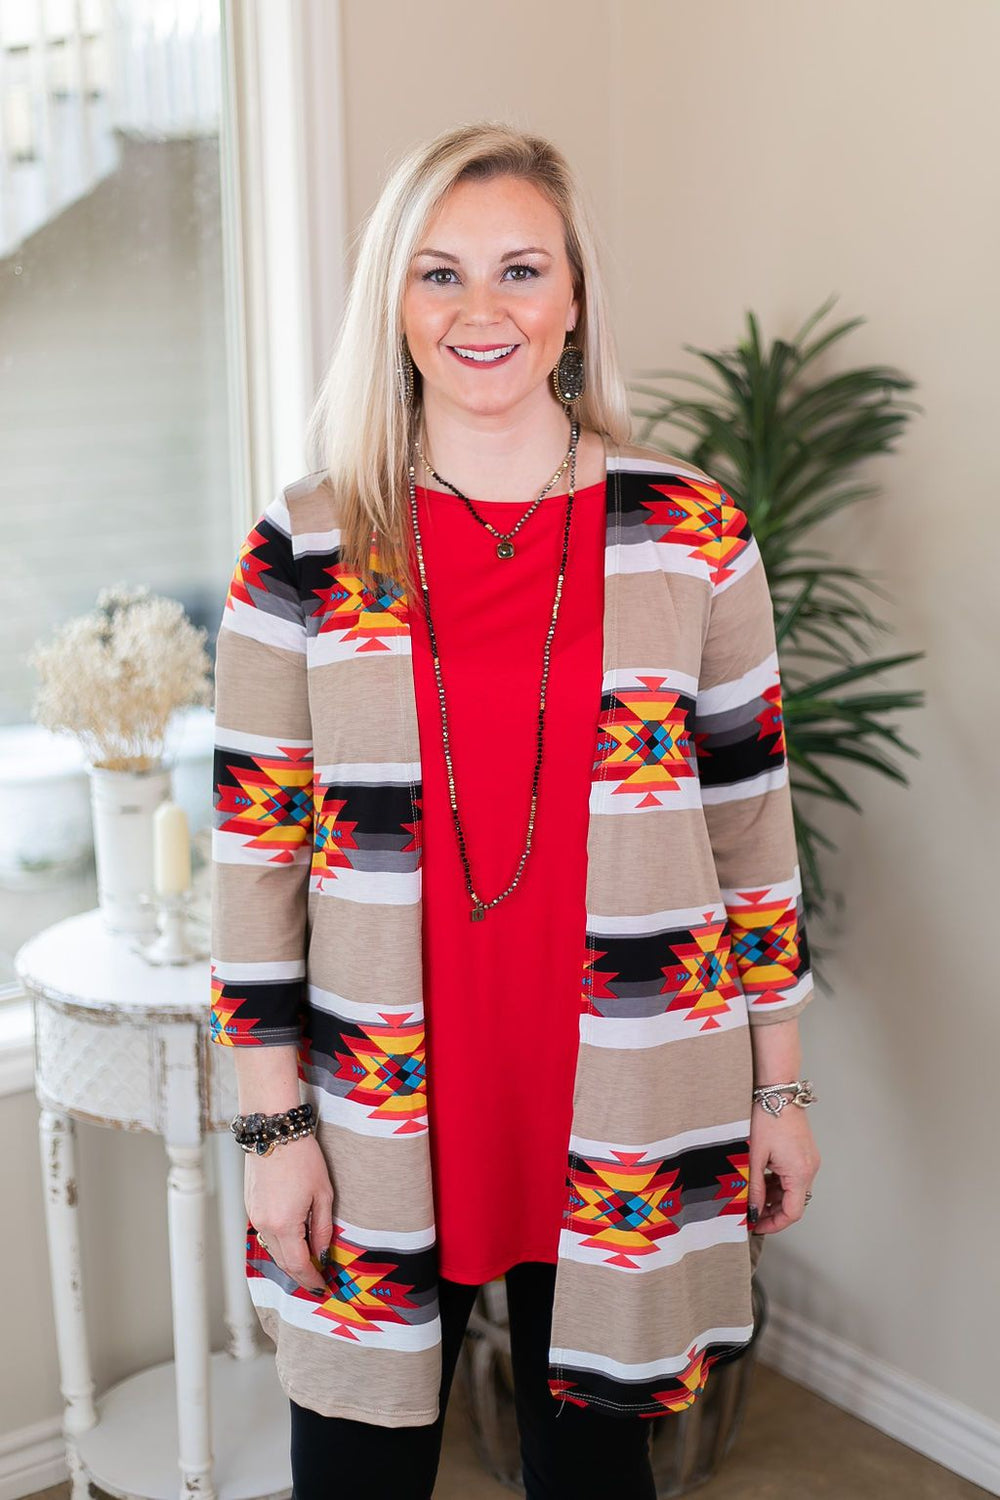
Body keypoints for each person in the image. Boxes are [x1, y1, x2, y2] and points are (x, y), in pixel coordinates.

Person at [210, 121, 821, 1500]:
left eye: (519, 271)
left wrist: (778, 1088)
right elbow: (254, 866)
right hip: (375, 1115)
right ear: (396, 307)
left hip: (626, 1103)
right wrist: (271, 1133)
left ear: (574, 299)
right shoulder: (308, 544)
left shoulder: (691, 535)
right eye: (439, 275)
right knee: (353, 1476)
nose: (481, 312)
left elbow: (752, 832)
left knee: (597, 1478)